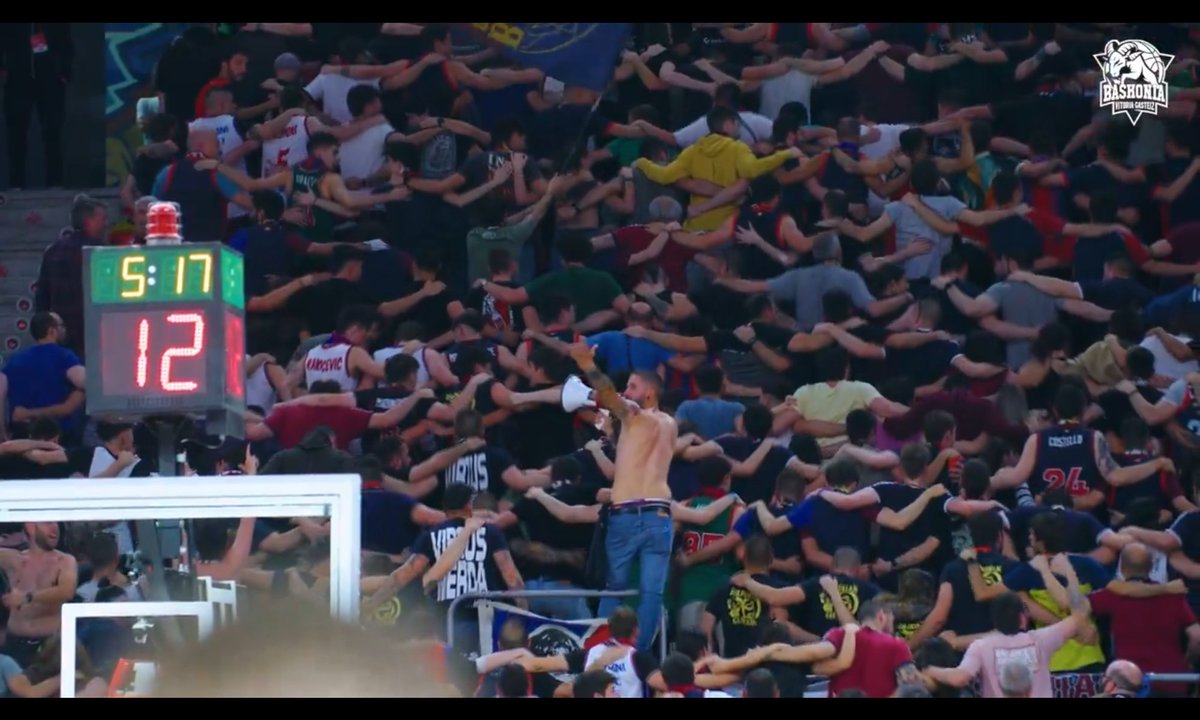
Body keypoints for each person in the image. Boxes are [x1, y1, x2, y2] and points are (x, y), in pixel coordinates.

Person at [568, 344, 680, 652]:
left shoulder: (633, 415)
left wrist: (587, 364)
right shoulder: (669, 425)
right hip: (659, 515)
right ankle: (636, 657)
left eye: (633, 386)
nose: (627, 391)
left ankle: (606, 653)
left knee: (613, 591)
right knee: (651, 594)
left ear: (649, 392)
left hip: (627, 515)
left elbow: (608, 394)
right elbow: (633, 461)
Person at [922, 553, 1090, 698]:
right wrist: (1068, 573)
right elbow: (1080, 614)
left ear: (994, 620)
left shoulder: (981, 646)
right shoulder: (1042, 639)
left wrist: (928, 669)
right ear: (1023, 618)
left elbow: (959, 678)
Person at [0, 522, 78, 668]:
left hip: (49, 644)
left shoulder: (65, 561)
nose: (54, 528)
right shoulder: (13, 559)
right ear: (30, 527)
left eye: (56, 523)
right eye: (47, 523)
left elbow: (67, 591)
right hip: (14, 643)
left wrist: (27, 597)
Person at [824, 596, 916, 698]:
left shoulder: (838, 635)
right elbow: (910, 684)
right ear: (882, 616)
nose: (893, 625)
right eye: (892, 619)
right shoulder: (897, 644)